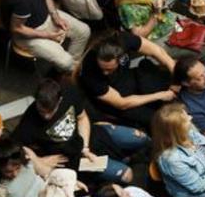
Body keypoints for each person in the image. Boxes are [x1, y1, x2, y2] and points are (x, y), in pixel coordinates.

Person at [11, 79, 144, 184]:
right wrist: (40, 160)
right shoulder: (29, 121)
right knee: (127, 175)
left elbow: (82, 118)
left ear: (60, 100)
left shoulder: (69, 94)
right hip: (74, 160)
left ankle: (130, 157)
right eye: (41, 111)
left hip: (91, 137)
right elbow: (14, 147)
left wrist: (85, 148)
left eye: (50, 111)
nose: (45, 116)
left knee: (142, 138)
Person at [78, 30, 175, 131]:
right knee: (159, 120)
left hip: (130, 78)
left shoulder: (122, 40)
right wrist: (159, 95)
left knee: (167, 89)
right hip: (118, 98)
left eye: (109, 69)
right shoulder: (89, 71)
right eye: (102, 68)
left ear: (120, 58)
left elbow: (157, 51)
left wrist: (177, 77)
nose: (105, 73)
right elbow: (122, 103)